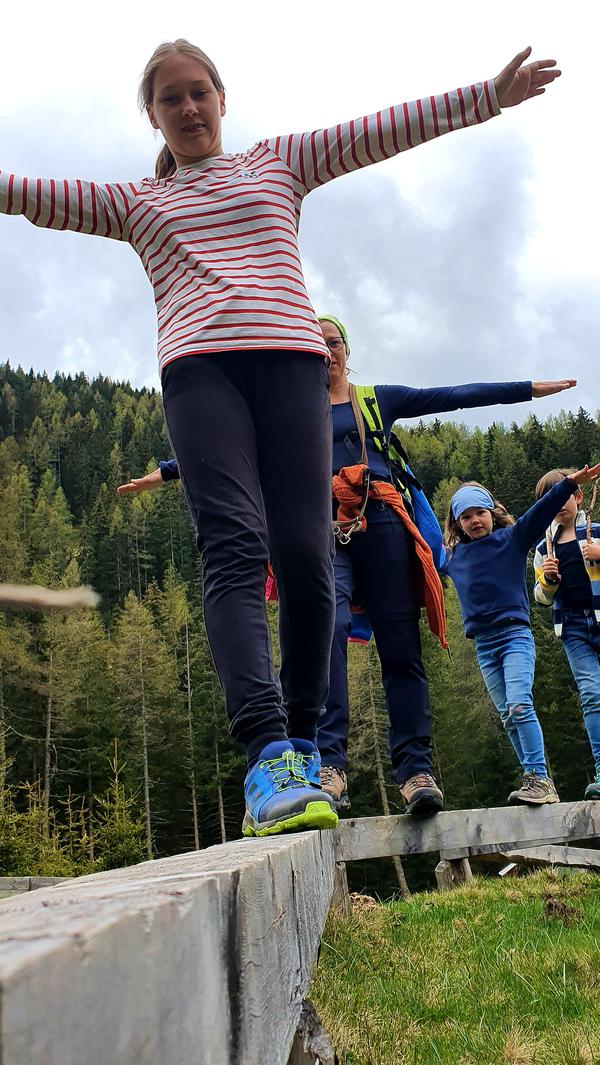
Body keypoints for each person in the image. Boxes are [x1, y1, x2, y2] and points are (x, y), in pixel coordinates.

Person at [3, 37, 560, 836]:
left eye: (199, 91)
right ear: (152, 116)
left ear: (222, 98)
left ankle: (301, 744)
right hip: (200, 374)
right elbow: (28, 194)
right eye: (170, 98)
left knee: (305, 556)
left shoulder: (278, 162)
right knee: (234, 547)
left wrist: (488, 97)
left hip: (292, 369)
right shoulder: (135, 201)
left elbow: (379, 131)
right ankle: (266, 754)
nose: (188, 108)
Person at [122, 313, 577, 816]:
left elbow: (451, 395)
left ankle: (415, 770)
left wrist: (527, 389)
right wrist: (168, 472)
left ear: (346, 349)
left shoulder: (375, 401)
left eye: (334, 342)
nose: (327, 351)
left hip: (382, 522)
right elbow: (240, 446)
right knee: (327, 631)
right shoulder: (291, 413)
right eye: (316, 344)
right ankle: (329, 766)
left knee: (400, 644)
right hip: (324, 528)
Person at [443, 464, 600, 805]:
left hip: (515, 636)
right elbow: (423, 536)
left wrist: (568, 484)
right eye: (466, 517)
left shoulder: (512, 539)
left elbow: (539, 512)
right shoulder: (453, 557)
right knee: (507, 715)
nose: (474, 520)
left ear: (492, 512)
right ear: (457, 524)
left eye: (480, 512)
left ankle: (540, 777)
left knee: (518, 704)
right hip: (484, 645)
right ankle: (537, 780)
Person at [533, 469, 600, 798]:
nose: (559, 503)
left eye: (565, 495)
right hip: (572, 627)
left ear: (579, 496)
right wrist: (548, 580)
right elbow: (541, 598)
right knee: (592, 696)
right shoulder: (543, 549)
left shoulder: (597, 532)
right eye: (551, 498)